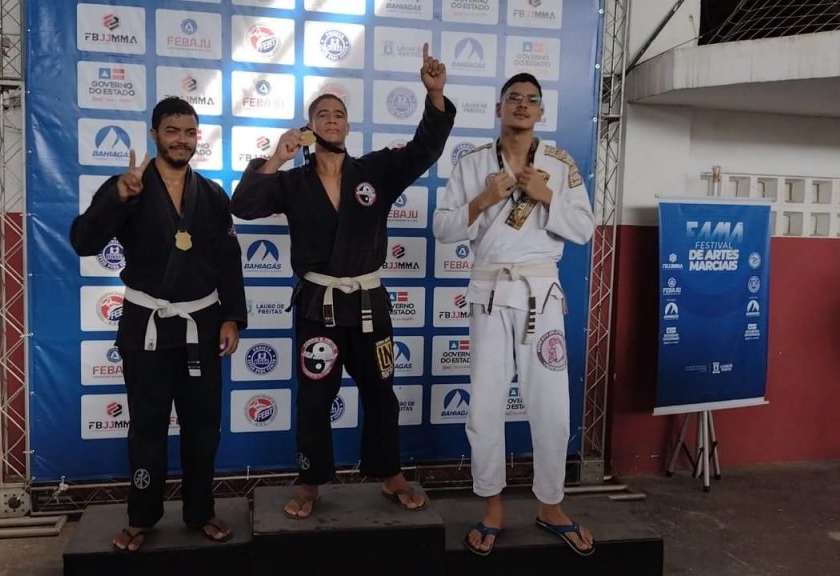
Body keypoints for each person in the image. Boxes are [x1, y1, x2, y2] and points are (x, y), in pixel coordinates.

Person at [231, 43, 455, 519]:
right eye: (322, 114)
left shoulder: (375, 170)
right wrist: (277, 157)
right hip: (319, 304)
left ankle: (390, 473)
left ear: (348, 126)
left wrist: (435, 95)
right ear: (310, 128)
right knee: (316, 396)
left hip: (370, 303)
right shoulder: (292, 182)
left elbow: (425, 149)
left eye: (339, 114)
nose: (332, 120)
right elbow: (243, 205)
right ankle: (310, 480)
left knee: (381, 391)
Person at [70, 97, 247, 551]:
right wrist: (118, 197)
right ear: (154, 135)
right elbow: (83, 241)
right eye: (172, 131)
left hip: (201, 325)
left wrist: (232, 316)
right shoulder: (129, 187)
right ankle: (141, 516)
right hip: (145, 324)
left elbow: (229, 259)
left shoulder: (212, 195)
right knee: (146, 427)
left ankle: (200, 511)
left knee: (203, 428)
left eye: (189, 132)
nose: (182, 140)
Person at [433, 73, 596, 557]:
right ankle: (492, 508)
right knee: (485, 405)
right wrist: (486, 198)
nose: (522, 105)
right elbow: (442, 228)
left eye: (531, 100)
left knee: (551, 406)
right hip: (488, 294)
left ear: (541, 112)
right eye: (513, 98)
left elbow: (584, 228)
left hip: (540, 295)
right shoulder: (473, 164)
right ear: (498, 108)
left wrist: (547, 196)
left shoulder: (559, 165)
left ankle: (551, 504)